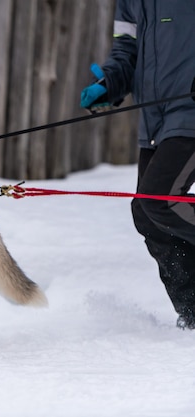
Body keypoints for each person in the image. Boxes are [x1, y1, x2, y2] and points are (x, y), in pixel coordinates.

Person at [80, 0, 195, 330]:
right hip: (157, 119)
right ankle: (193, 314)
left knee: (160, 199)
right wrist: (109, 85)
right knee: (147, 215)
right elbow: (126, 52)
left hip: (190, 113)